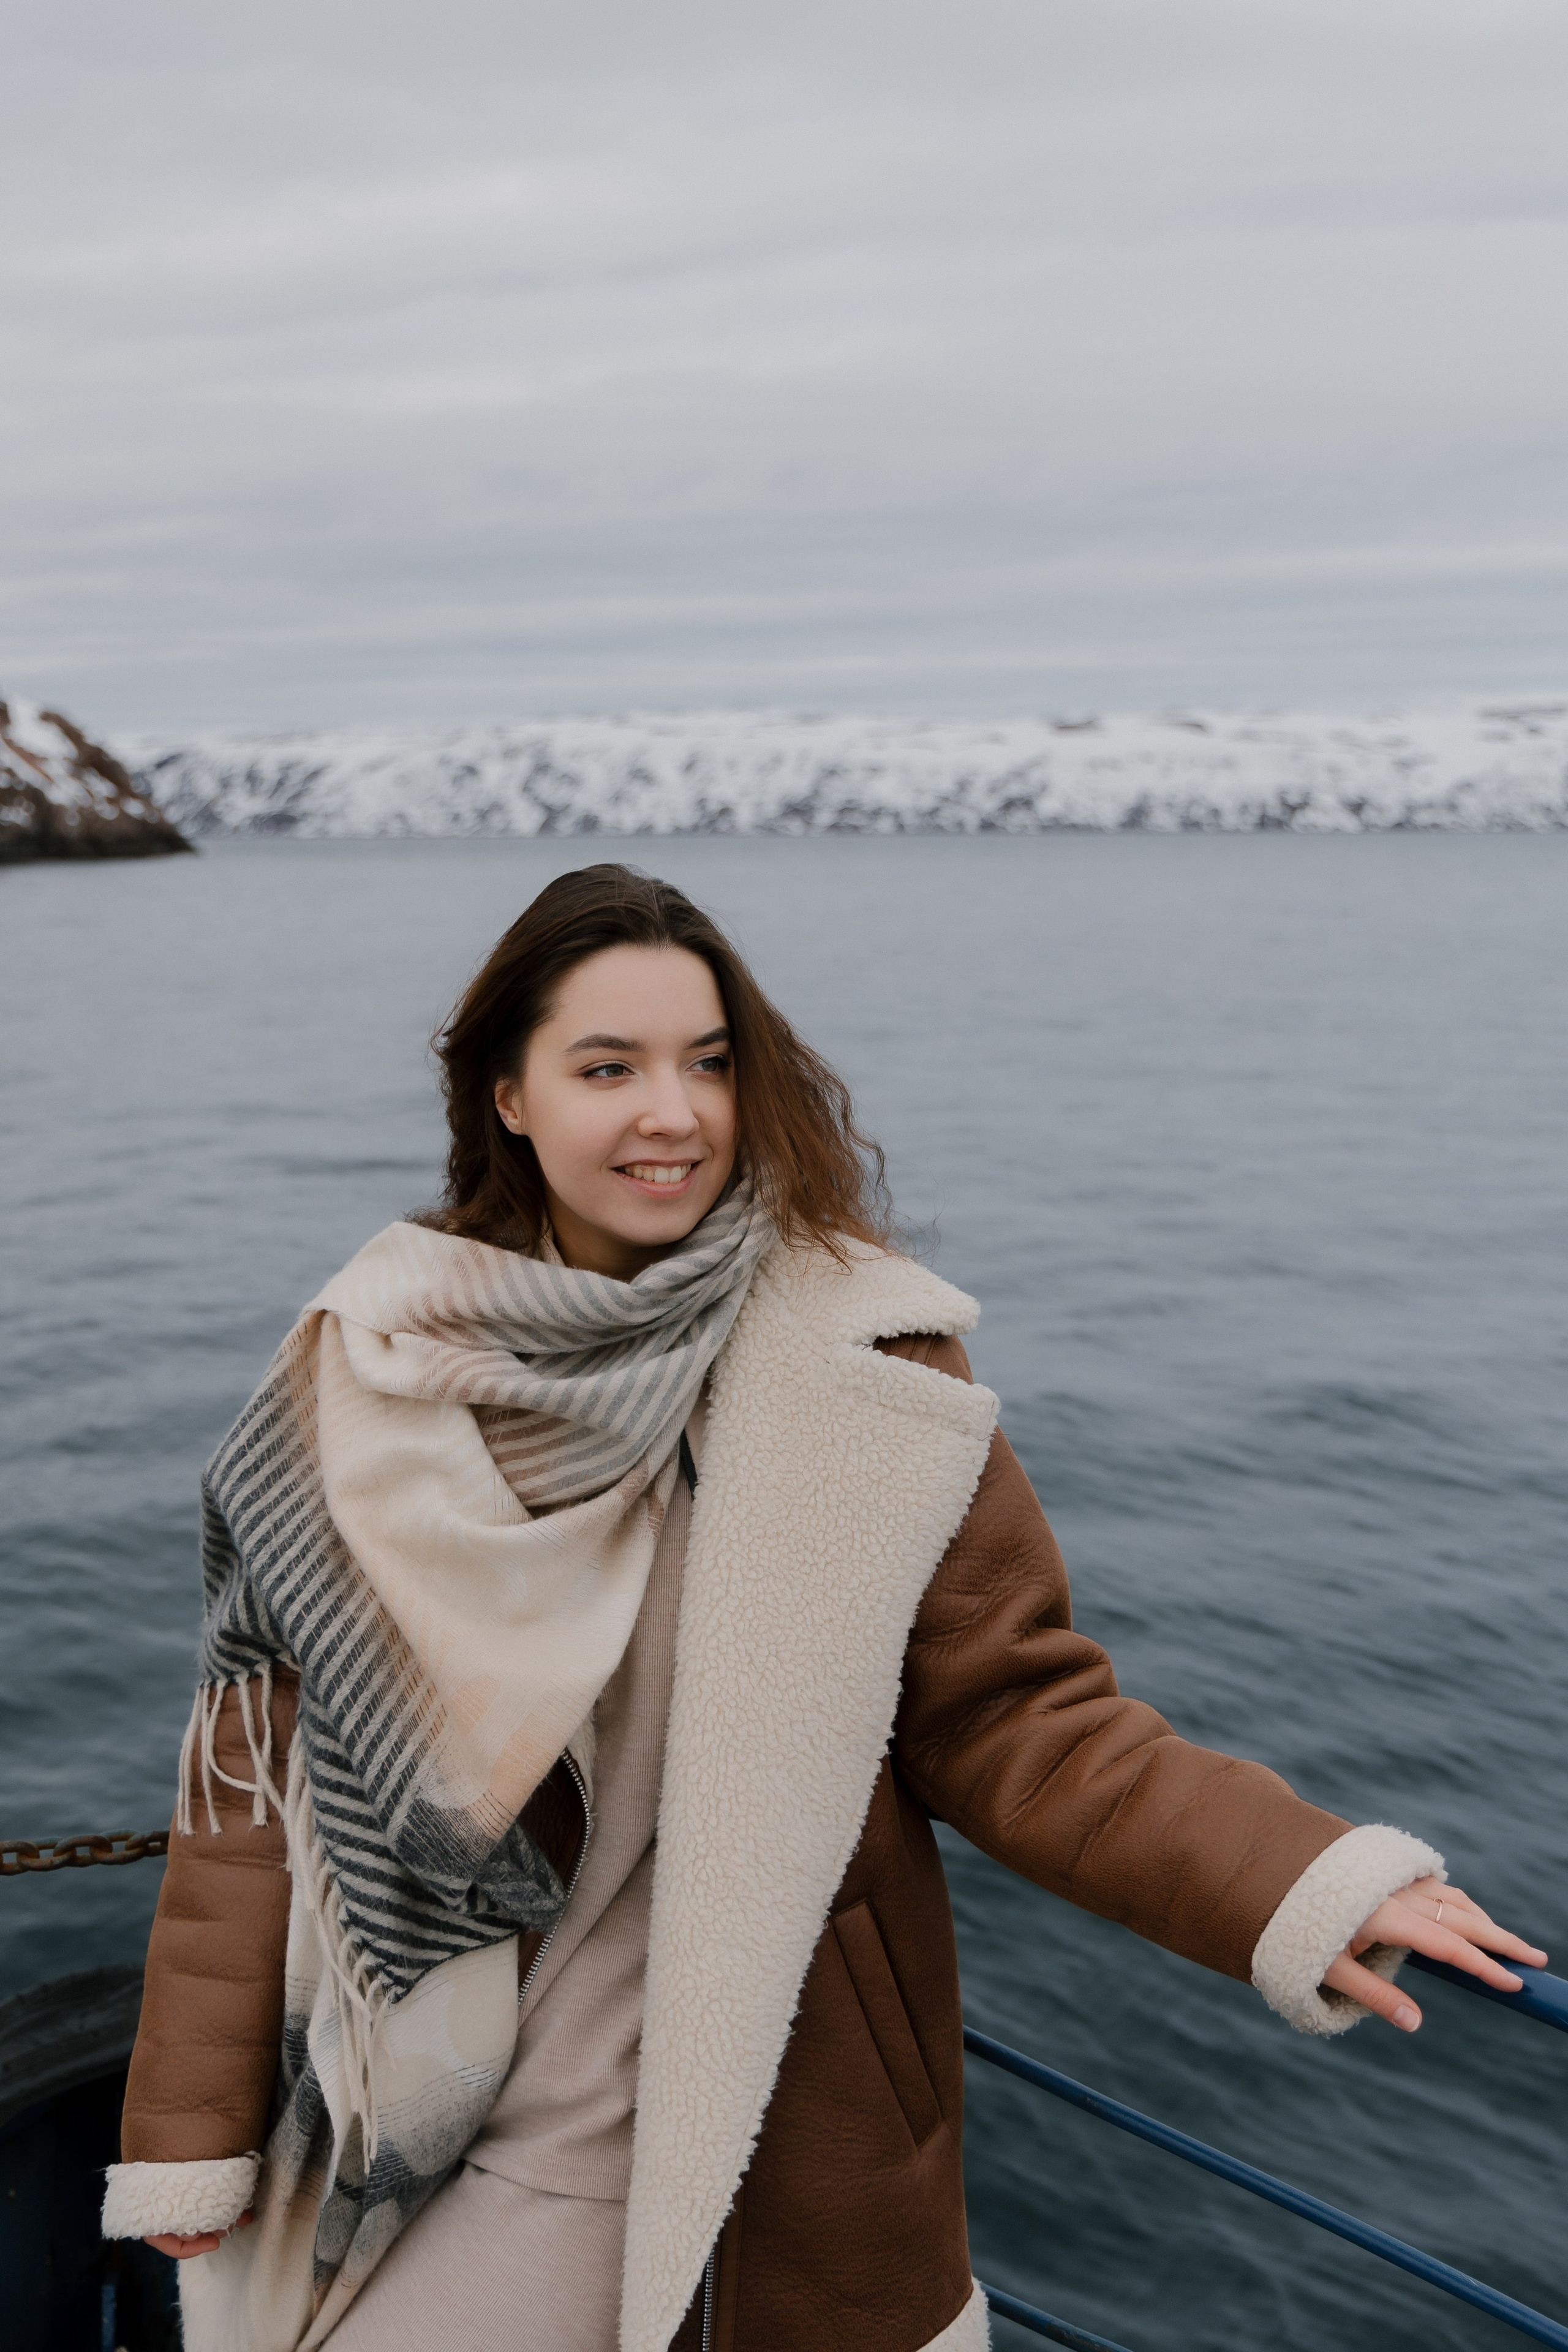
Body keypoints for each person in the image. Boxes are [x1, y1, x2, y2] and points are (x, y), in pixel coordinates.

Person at [102, 864, 1543, 2352]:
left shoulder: (858, 1373)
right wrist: (190, 2132)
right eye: (608, 1067)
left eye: (708, 1062)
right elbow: (249, 1790)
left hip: (724, 2101)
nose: (673, 1113)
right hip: (399, 2085)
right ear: (508, 1095)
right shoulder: (370, 1371)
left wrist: (1298, 1879)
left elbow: (1020, 1722)